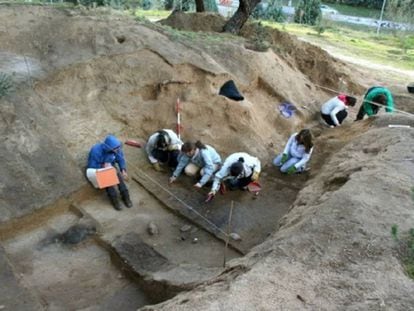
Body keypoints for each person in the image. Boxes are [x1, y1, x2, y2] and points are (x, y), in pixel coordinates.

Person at [86, 134, 132, 211]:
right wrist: (103, 166)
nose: (118, 150)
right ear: (109, 148)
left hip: (111, 166)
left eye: (118, 148)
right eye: (116, 149)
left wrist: (123, 170)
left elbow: (120, 159)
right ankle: (115, 202)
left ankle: (126, 198)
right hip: (101, 169)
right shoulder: (96, 151)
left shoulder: (117, 149)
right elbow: (92, 166)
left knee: (120, 181)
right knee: (109, 185)